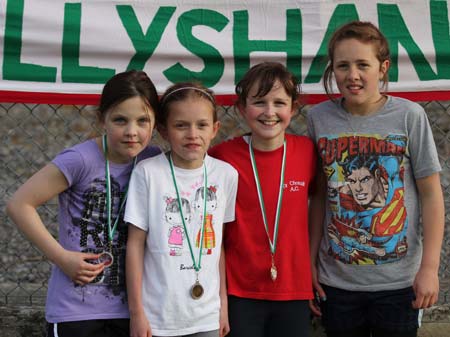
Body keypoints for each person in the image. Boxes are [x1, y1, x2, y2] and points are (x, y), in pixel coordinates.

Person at [307, 21, 445, 337]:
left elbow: (431, 195)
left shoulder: (409, 116)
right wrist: (310, 262)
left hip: (398, 284)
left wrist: (429, 268)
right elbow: (318, 196)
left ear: (383, 68)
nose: (352, 74)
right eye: (343, 65)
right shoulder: (318, 118)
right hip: (337, 282)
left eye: (362, 65)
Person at [6, 70, 160, 337]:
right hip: (75, 310)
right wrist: (62, 257)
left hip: (135, 310)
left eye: (142, 121)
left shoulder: (154, 161)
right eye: (120, 120)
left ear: (156, 122)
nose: (132, 132)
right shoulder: (79, 160)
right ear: (102, 119)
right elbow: (20, 204)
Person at [209, 62, 318, 337]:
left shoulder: (307, 152)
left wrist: (313, 262)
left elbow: (320, 204)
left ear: (293, 109)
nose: (270, 112)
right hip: (239, 290)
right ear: (242, 108)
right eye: (259, 102)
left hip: (293, 289)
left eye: (279, 103)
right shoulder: (222, 157)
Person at [124, 82, 238, 337]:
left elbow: (217, 245)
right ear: (164, 131)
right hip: (157, 318)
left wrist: (223, 305)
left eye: (201, 125)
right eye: (181, 125)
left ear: (215, 129)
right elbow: (135, 244)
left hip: (206, 316)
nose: (192, 134)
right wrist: (137, 313)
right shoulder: (148, 173)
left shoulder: (226, 175)